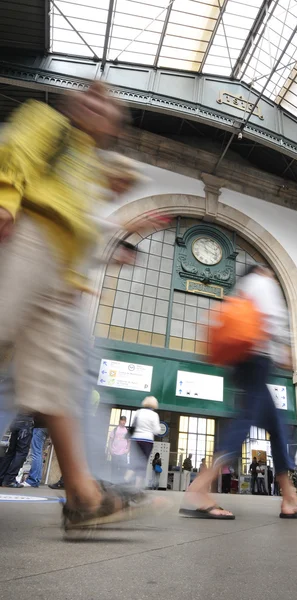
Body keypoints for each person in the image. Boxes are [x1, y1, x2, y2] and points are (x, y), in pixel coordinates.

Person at [0, 82, 148, 530]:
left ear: (111, 127)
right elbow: (14, 152)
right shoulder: (46, 121)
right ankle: (84, 493)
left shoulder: (87, 162)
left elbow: (82, 228)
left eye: (106, 103)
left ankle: (83, 495)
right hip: (25, 239)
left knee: (58, 382)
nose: (92, 98)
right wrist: (5, 200)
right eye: (89, 93)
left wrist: (77, 279)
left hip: (57, 277)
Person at [180, 265, 297, 519]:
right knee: (245, 420)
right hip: (258, 358)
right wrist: (286, 351)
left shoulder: (243, 288)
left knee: (276, 427)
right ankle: (200, 487)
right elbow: (272, 319)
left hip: (243, 360)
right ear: (260, 270)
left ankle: (289, 498)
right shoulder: (263, 282)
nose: (272, 272)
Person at [129, 396, 161, 488]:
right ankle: (137, 488)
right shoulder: (154, 415)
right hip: (147, 441)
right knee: (142, 465)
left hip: (135, 440)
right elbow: (156, 431)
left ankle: (123, 481)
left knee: (133, 463)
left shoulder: (138, 412)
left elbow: (133, 426)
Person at [0, 413, 33, 487]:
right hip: (26, 421)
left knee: (11, 452)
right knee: (21, 452)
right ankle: (9, 479)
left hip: (15, 420)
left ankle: (1, 477)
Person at [108, 416, 129, 483]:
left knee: (123, 469)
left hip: (123, 453)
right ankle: (112, 483)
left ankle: (120, 483)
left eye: (124, 420)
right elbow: (110, 440)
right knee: (114, 469)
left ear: (125, 422)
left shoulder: (127, 431)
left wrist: (127, 450)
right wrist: (110, 449)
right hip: (115, 452)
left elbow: (129, 441)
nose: (123, 422)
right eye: (122, 420)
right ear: (119, 421)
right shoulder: (115, 430)